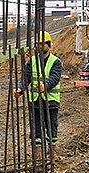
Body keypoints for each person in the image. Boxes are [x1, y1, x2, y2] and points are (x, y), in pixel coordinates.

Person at [14, 31, 63, 159]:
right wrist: (20, 88)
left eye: (43, 44)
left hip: (51, 102)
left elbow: (55, 78)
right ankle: (38, 157)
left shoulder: (56, 62)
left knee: (51, 129)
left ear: (49, 45)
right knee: (36, 130)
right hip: (35, 102)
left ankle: (51, 155)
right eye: (38, 44)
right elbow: (25, 78)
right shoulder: (31, 62)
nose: (40, 46)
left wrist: (45, 85)